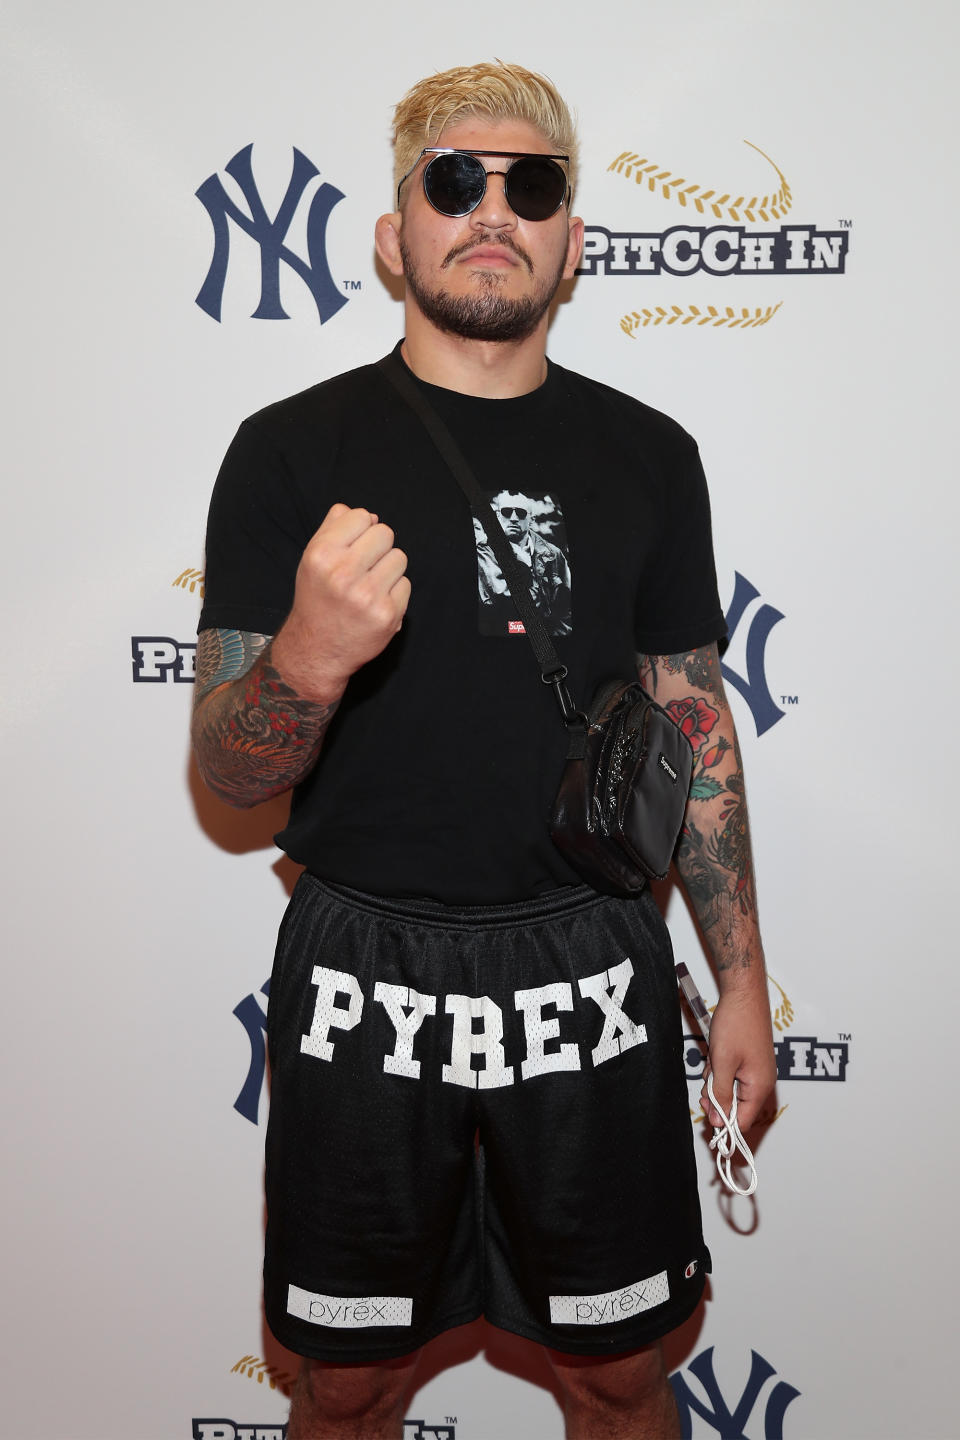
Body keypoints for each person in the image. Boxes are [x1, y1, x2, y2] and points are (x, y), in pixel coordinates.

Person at [192, 60, 776, 1440]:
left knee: (623, 1373)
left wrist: (740, 979)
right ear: (395, 235)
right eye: (455, 180)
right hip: (362, 963)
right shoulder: (285, 452)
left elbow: (692, 718)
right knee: (345, 1380)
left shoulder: (651, 454)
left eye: (534, 185)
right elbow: (228, 778)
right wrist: (306, 662)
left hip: (590, 957)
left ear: (572, 240)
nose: (493, 208)